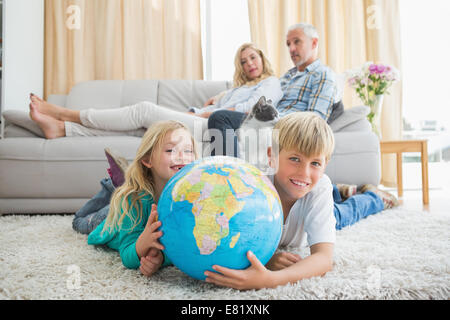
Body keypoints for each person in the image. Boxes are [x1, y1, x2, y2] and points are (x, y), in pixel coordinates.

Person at [204, 112, 397, 290]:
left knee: (345, 214)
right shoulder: (253, 184)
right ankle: (342, 190)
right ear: (272, 156)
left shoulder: (319, 186)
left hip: (312, 209)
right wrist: (266, 258)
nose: (304, 173)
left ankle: (374, 197)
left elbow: (323, 258)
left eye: (315, 163)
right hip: (306, 198)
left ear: (325, 165)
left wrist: (270, 280)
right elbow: (233, 234)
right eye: (295, 159)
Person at [28, 43, 283, 141]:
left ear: (261, 58)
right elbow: (222, 104)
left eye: (253, 57)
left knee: (143, 110)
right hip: (201, 118)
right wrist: (211, 103)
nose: (249, 64)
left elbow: (253, 111)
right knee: (143, 130)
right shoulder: (235, 89)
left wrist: (212, 111)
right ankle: (62, 129)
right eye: (244, 61)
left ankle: (64, 113)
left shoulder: (271, 82)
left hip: (217, 129)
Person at [86, 120, 198, 277]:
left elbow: (182, 244)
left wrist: (160, 258)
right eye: (171, 150)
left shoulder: (195, 195)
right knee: (82, 221)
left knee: (121, 195)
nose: (182, 157)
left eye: (188, 151)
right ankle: (108, 187)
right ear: (147, 160)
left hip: (131, 201)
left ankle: (120, 180)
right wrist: (143, 243)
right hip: (112, 224)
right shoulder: (134, 200)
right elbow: (127, 255)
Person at [207, 22, 337, 157]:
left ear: (314, 43)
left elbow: (316, 121)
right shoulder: (288, 76)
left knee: (220, 118)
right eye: (288, 44)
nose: (291, 49)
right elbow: (261, 91)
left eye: (297, 42)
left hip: (283, 125)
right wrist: (220, 97)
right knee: (222, 117)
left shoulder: (323, 74)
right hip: (266, 119)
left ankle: (229, 174)